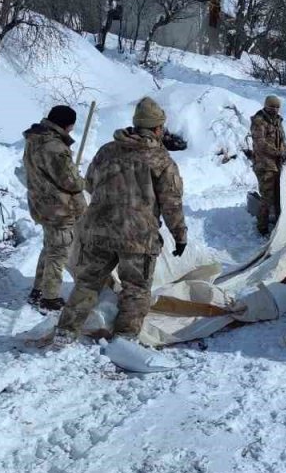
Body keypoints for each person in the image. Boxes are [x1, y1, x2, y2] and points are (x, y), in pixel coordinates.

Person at [54, 97, 188, 343]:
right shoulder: (161, 160)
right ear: (158, 129)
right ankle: (124, 340)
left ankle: (65, 331)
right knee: (135, 289)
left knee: (87, 283)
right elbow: (172, 203)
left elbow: (91, 184)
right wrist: (180, 235)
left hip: (98, 232)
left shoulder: (107, 150)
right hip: (138, 238)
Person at [22, 105, 86, 311]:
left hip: (41, 203)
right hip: (58, 208)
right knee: (58, 252)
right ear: (67, 125)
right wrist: (81, 179)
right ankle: (50, 298)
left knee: (50, 247)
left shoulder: (34, 139)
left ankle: (38, 289)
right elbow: (71, 182)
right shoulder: (55, 147)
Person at [249, 95, 286, 236]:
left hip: (277, 165)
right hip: (264, 165)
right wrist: (279, 153)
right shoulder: (259, 121)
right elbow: (260, 144)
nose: (274, 109)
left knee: (280, 196)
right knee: (267, 197)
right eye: (272, 106)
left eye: (277, 107)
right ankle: (262, 227)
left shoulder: (278, 121)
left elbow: (283, 141)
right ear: (266, 106)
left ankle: (279, 224)